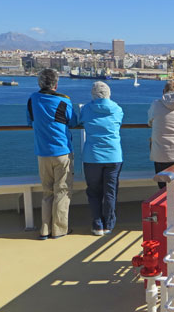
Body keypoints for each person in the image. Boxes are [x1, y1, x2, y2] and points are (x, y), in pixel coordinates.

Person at [27, 68, 77, 239]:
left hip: (42, 152)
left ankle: (44, 229)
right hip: (62, 151)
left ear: (39, 83)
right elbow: (73, 121)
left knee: (47, 191)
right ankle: (59, 230)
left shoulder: (32, 100)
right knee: (62, 191)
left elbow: (29, 121)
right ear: (56, 84)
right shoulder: (64, 101)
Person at [79, 81, 124, 236]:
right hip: (113, 155)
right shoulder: (117, 109)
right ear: (109, 94)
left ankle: (97, 224)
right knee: (110, 192)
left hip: (92, 156)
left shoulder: (85, 109)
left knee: (94, 191)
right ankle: (109, 224)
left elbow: (80, 120)